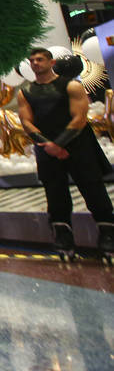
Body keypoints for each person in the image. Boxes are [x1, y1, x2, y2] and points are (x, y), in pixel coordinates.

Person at [18, 47, 114, 258]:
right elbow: (26, 122)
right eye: (32, 60)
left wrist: (59, 144)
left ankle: (108, 234)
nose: (35, 63)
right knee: (55, 194)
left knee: (93, 189)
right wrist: (48, 145)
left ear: (51, 63)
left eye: (40, 59)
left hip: (78, 145)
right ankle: (63, 236)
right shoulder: (25, 92)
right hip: (47, 149)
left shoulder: (72, 86)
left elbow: (80, 118)